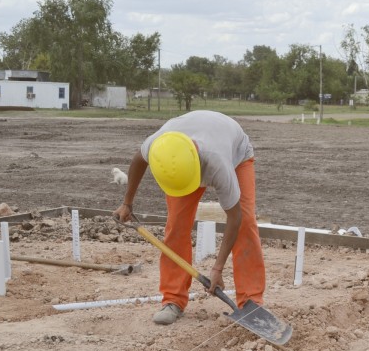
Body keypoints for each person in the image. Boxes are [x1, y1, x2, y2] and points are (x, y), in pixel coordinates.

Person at [113, 110, 265, 325]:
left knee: (246, 223)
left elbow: (235, 217)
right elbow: (138, 160)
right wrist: (127, 203)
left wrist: (217, 268)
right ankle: (173, 299)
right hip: (185, 158)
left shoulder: (219, 163)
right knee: (176, 225)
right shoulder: (157, 146)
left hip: (234, 152)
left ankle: (251, 301)